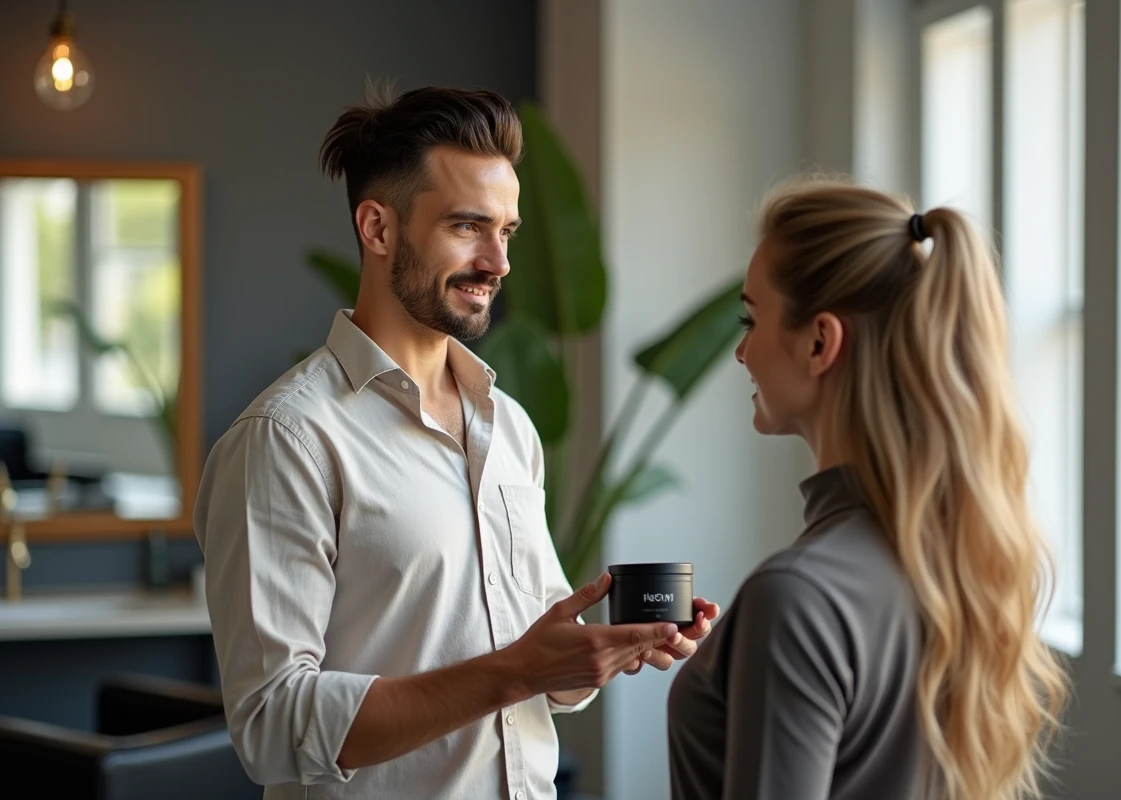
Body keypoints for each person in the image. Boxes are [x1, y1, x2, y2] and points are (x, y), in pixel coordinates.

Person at [194, 85, 719, 800]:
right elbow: (272, 725)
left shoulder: (510, 428)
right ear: (378, 229)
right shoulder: (287, 439)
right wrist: (520, 671)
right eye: (468, 227)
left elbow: (538, 676)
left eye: (507, 231)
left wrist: (592, 656)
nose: (498, 262)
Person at [667, 179, 1068, 800]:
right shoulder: (959, 561)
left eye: (752, 318)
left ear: (821, 342)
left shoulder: (798, 597)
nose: (742, 351)